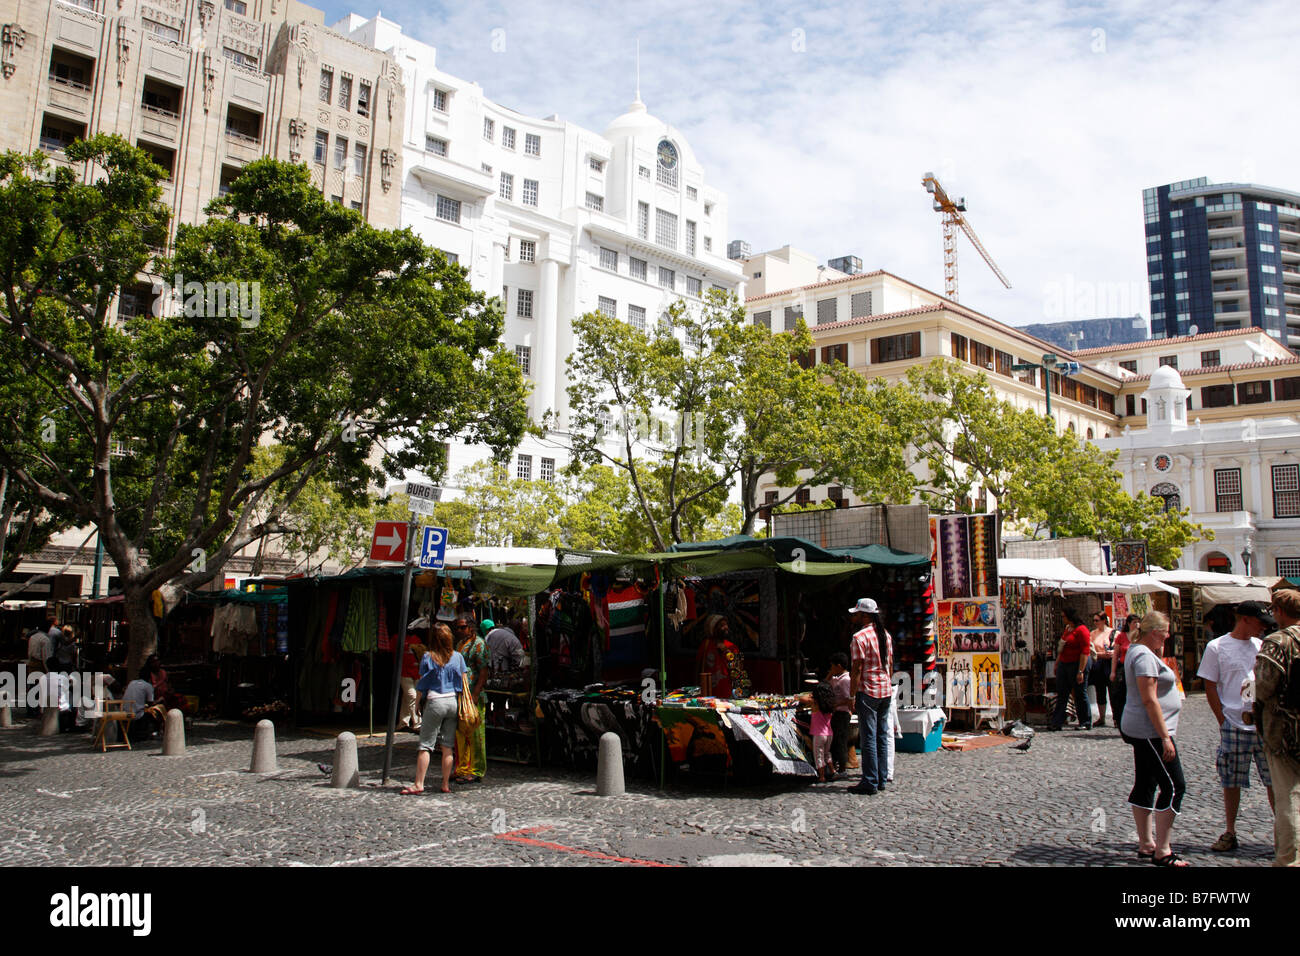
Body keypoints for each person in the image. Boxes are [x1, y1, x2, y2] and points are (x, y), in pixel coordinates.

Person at [1197, 600, 1277, 853]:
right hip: (1233, 722)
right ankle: (1230, 830)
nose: (1264, 627)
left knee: (1273, 780)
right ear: (1244, 619)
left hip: (1262, 724)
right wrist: (1222, 720)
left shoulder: (1262, 646)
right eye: (1260, 622)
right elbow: (1210, 684)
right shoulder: (1217, 646)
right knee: (1231, 780)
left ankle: (1282, 831)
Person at [1122, 611, 1189, 866]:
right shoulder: (1143, 656)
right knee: (1174, 785)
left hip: (1144, 729)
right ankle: (1163, 850)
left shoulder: (1142, 653)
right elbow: (1149, 699)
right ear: (1154, 632)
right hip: (1150, 731)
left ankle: (1146, 844)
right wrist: (1165, 738)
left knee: (1146, 782)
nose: (1169, 635)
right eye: (1165, 631)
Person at [1255, 589, 1300, 866]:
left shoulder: (1278, 641)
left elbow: (1263, 686)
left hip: (1285, 730)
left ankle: (1289, 859)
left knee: (1288, 797)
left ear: (1279, 611)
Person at [402, 623, 466, 795]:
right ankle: (445, 784)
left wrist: (416, 703)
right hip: (452, 702)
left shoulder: (428, 657)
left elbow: (422, 683)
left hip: (435, 701)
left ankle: (419, 783)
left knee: (425, 745)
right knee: (447, 746)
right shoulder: (458, 657)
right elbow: (463, 681)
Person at [847, 597, 892, 796]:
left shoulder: (859, 637)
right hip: (885, 690)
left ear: (864, 615)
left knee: (869, 737)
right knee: (881, 736)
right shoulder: (885, 635)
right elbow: (889, 663)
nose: (854, 617)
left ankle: (870, 781)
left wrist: (851, 695)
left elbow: (856, 669)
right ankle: (881, 778)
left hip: (869, 690)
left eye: (856, 613)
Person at [451, 614, 488, 783]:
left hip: (473, 695)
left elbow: (483, 671)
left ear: (471, 627)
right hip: (460, 694)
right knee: (460, 732)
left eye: (462, 627)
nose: (459, 631)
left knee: (475, 733)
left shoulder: (479, 645)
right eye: (457, 628)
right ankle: (462, 767)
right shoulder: (459, 644)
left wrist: (475, 694)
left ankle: (477, 769)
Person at [1049, 606, 1092, 731]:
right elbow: (1062, 649)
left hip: (1077, 663)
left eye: (1063, 616)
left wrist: (1081, 671)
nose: (1062, 619)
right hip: (1065, 663)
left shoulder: (1082, 630)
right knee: (1062, 693)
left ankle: (1085, 721)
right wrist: (1057, 663)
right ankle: (1057, 722)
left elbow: (1085, 651)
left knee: (1080, 693)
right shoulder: (1068, 629)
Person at [695, 616, 746, 698]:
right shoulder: (705, 645)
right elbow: (698, 668)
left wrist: (727, 652)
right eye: (722, 625)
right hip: (708, 694)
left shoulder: (732, 647)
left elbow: (739, 670)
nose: (726, 627)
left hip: (727, 694)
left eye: (726, 625)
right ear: (713, 628)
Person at [1110, 614, 1139, 734]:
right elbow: (1116, 655)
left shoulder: (1141, 636)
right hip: (1123, 669)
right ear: (1128, 624)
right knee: (1120, 695)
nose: (1137, 625)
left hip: (1137, 669)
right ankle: (1121, 720)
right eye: (1134, 622)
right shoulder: (1122, 636)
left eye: (1138, 622)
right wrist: (1113, 671)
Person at [398, 621, 427, 733]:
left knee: (407, 699)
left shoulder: (416, 639)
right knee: (412, 696)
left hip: (416, 673)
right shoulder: (397, 638)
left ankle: (402, 723)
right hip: (404, 673)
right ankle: (418, 723)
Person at [123, 662, 163, 740]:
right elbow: (150, 703)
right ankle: (155, 732)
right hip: (137, 713)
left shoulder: (132, 683)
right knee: (157, 711)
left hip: (125, 710)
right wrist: (159, 700)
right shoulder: (148, 686)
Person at [1089, 611, 1116, 727]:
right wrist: (1100, 655)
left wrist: (1113, 653)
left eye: (1097, 620)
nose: (1095, 623)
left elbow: (1119, 649)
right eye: (1094, 620)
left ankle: (1116, 718)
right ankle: (1102, 717)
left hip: (1110, 664)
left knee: (1113, 692)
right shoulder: (1093, 634)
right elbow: (1091, 650)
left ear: (1104, 620)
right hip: (1098, 663)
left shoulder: (1114, 633)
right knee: (1100, 691)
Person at [828, 652, 853, 776]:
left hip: (842, 713)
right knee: (835, 740)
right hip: (836, 713)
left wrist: (836, 705)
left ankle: (842, 768)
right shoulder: (836, 679)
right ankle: (835, 764)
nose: (831, 669)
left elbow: (849, 699)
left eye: (832, 666)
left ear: (839, 666)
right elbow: (825, 684)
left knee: (840, 740)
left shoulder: (846, 680)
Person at [809, 681, 836, 782]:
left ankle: (822, 776)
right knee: (827, 753)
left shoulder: (815, 704)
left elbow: (802, 699)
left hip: (819, 734)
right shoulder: (830, 704)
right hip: (829, 733)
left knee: (818, 755)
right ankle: (833, 771)